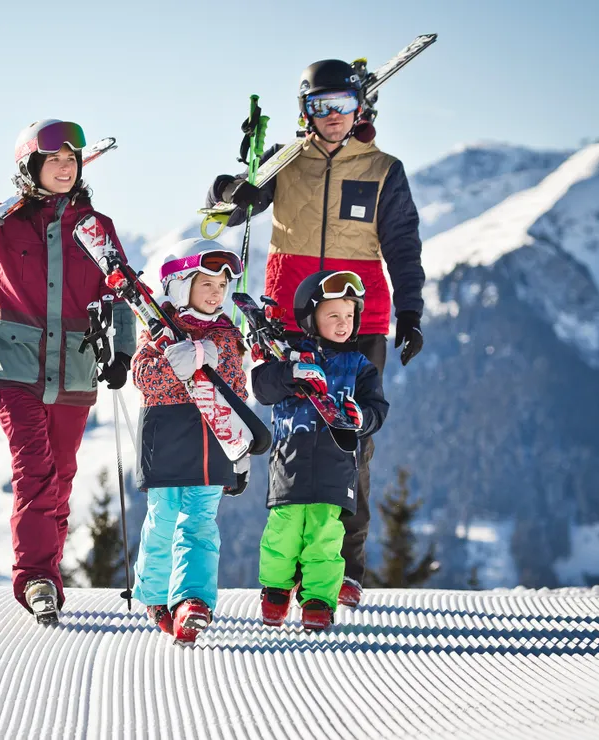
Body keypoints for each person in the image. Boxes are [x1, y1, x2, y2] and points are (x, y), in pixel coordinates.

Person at [204, 59, 424, 607]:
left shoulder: (382, 169)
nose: (331, 117)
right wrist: (232, 184)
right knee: (292, 438)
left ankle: (343, 569)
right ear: (305, 111)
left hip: (357, 320)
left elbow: (402, 245)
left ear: (361, 109)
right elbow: (231, 211)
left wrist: (411, 312)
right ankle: (290, 566)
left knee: (352, 441)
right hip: (287, 319)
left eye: (343, 106)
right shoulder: (287, 161)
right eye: (319, 106)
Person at [0, 120, 136, 624]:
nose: (65, 168)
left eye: (72, 160)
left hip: (75, 367)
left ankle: (47, 571)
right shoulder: (6, 223)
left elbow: (119, 292)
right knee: (35, 469)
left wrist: (122, 352)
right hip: (16, 365)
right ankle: (36, 580)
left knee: (62, 477)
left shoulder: (97, 227)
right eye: (54, 161)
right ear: (31, 167)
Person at [250, 270, 389, 631]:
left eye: (349, 316)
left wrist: (362, 417)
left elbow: (378, 408)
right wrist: (291, 373)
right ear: (312, 318)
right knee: (283, 531)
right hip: (289, 464)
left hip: (336, 465)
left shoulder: (359, 366)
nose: (344, 324)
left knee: (325, 535)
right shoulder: (290, 356)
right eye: (333, 316)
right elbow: (262, 387)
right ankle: (277, 590)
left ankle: (318, 599)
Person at [129, 239, 249, 644]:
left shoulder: (227, 334)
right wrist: (176, 362)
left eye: (221, 286)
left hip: (214, 446)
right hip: (166, 441)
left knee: (199, 524)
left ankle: (193, 600)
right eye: (206, 284)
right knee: (163, 520)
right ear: (181, 285)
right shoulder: (157, 329)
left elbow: (237, 388)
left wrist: (242, 451)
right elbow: (145, 380)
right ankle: (156, 595)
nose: (216, 293)